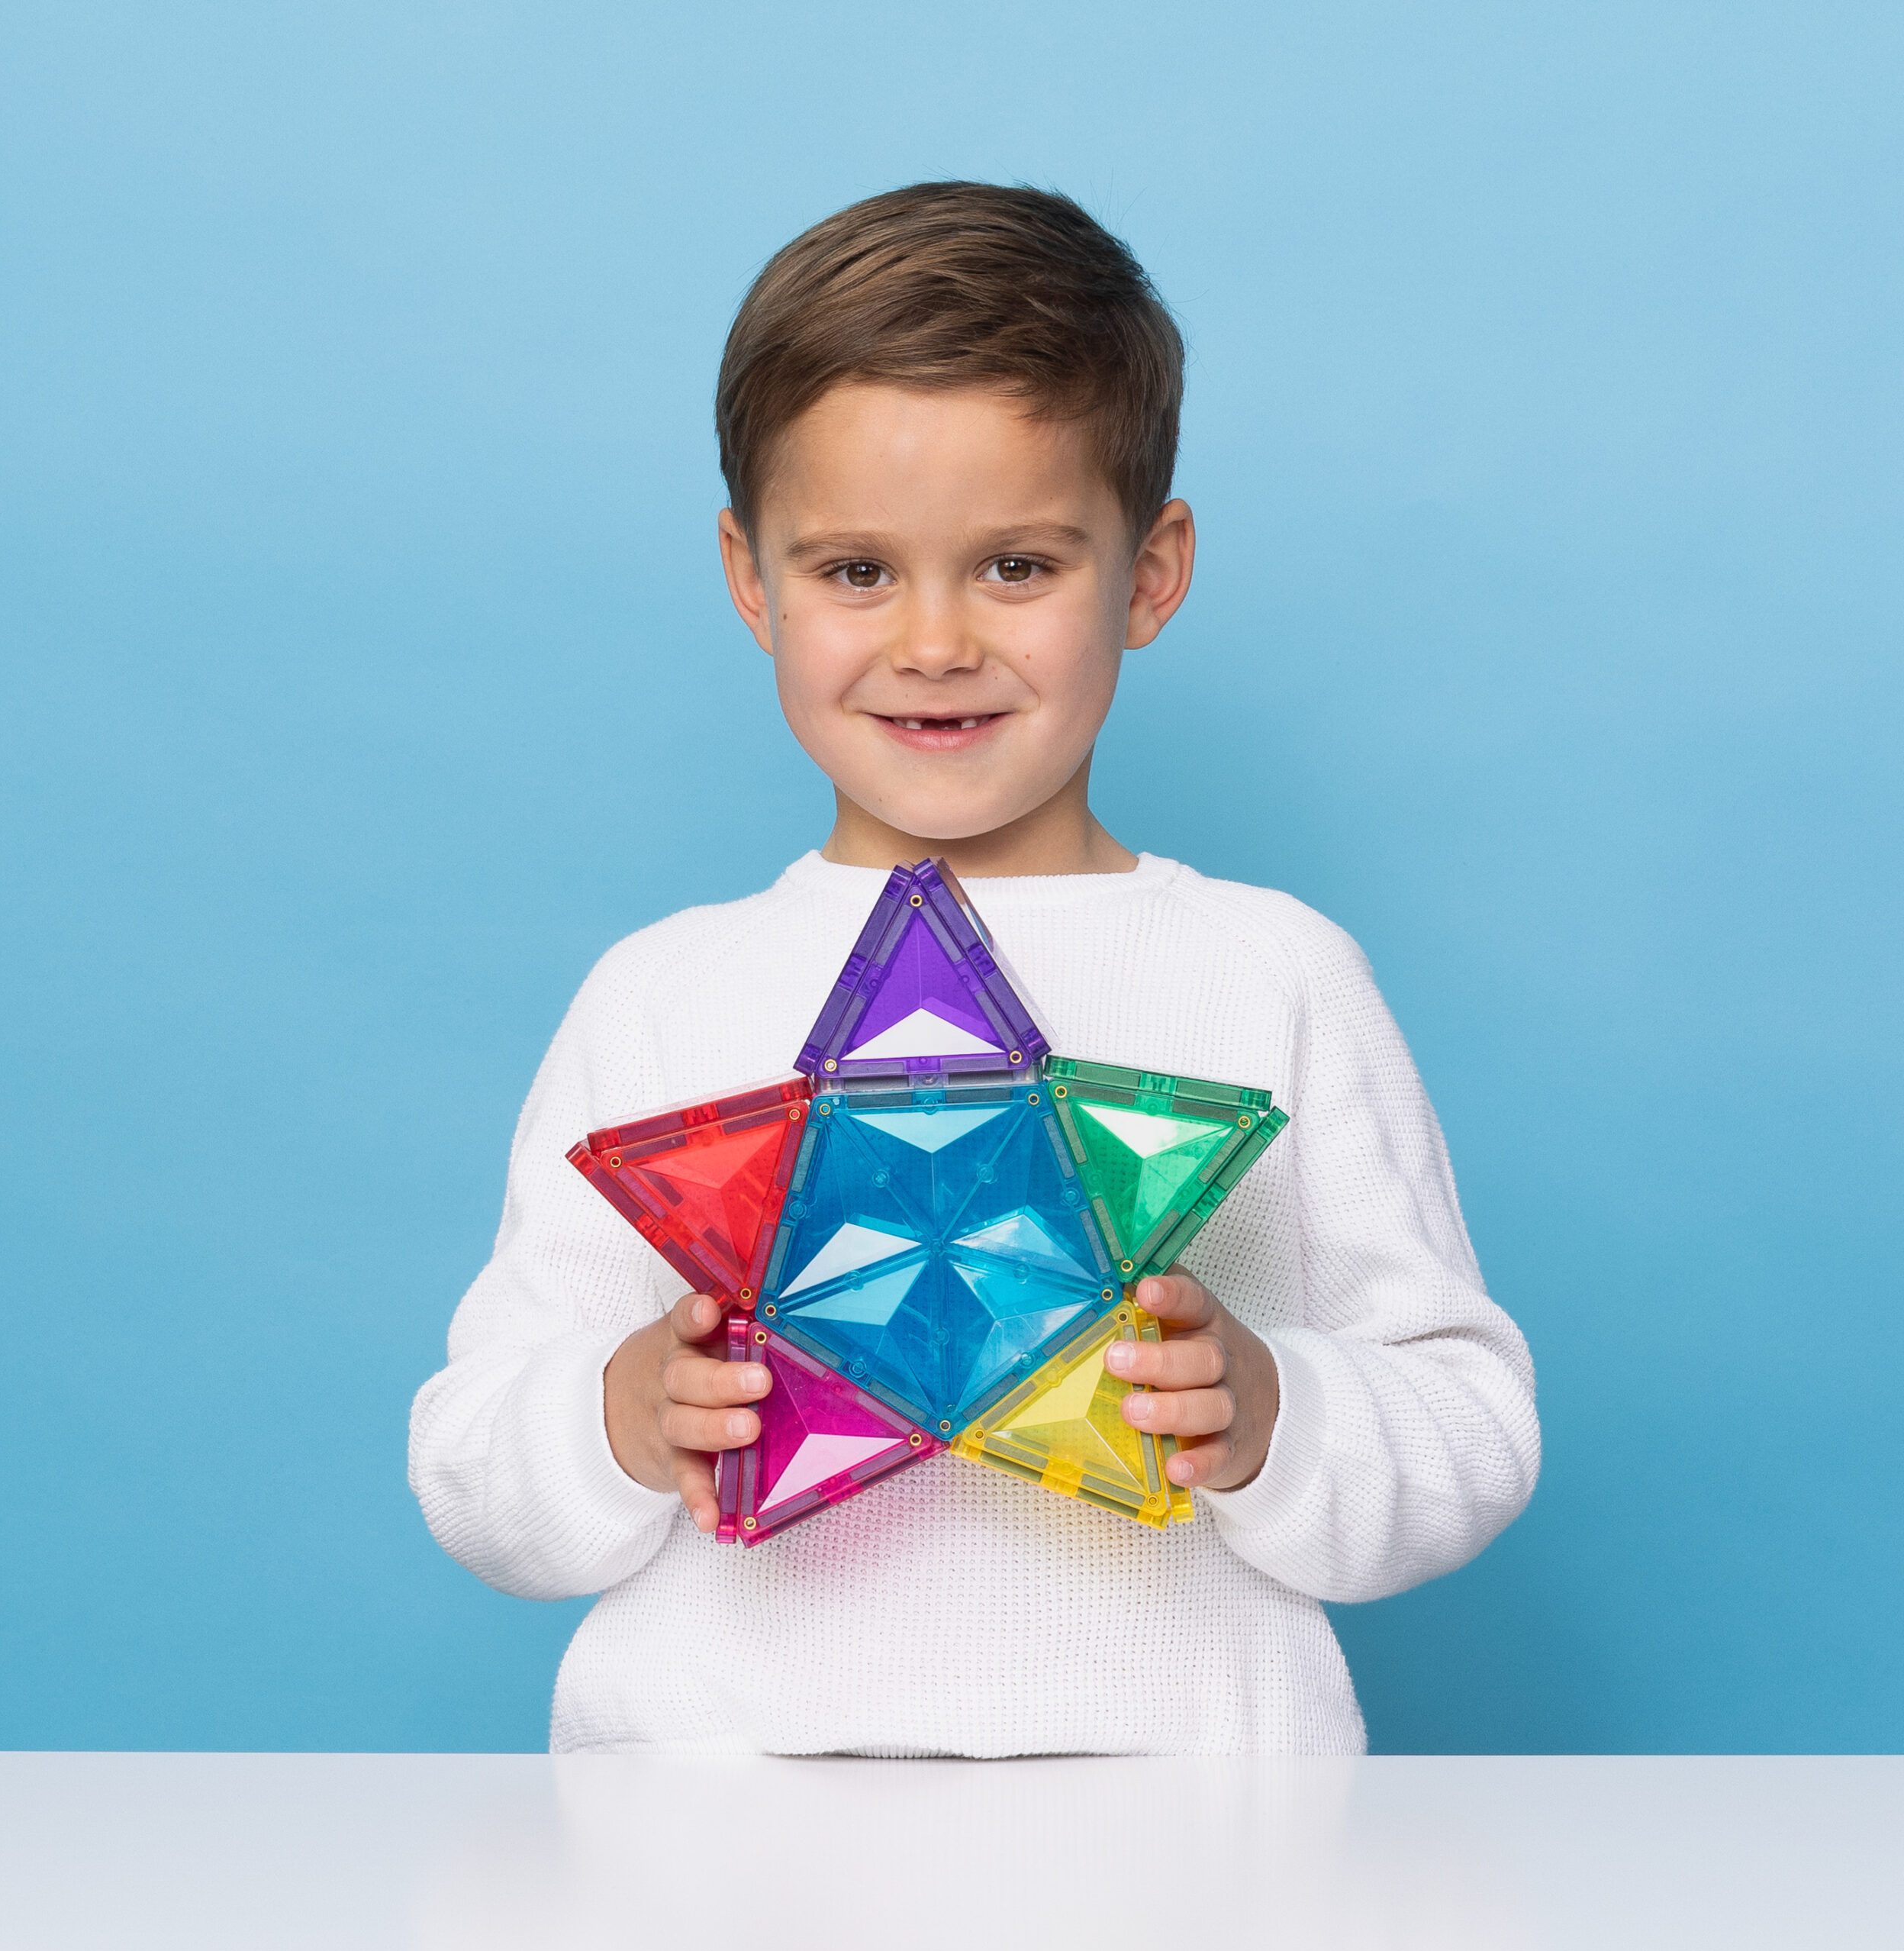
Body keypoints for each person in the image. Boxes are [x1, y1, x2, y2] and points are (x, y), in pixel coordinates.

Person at [409, 182, 1540, 1756]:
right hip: (715, 1806)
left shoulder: (1272, 972)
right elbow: (470, 1461)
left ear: (1150, 572)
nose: (934, 643)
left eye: (1015, 566)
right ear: (750, 577)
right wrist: (613, 1415)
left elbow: (1469, 1428)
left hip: (1192, 1810)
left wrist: (1274, 1412)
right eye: (855, 571)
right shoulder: (657, 996)